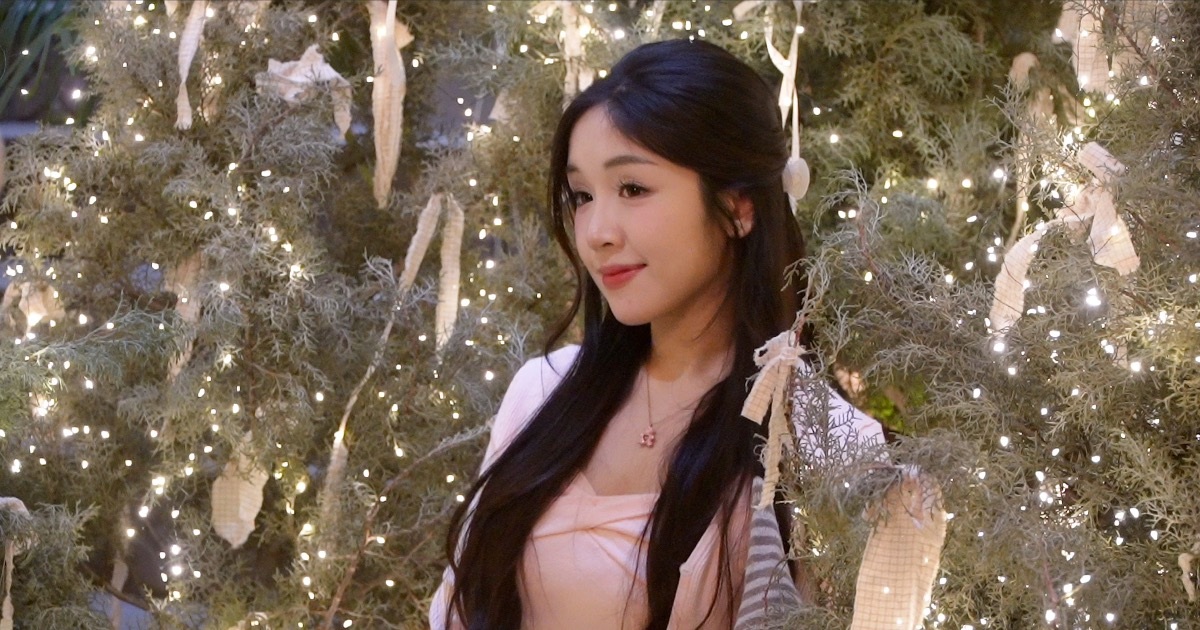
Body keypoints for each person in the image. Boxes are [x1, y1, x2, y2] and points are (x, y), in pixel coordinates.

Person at [431, 38, 883, 629]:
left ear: (738, 206)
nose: (596, 232)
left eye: (633, 189)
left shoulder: (823, 442)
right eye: (582, 196)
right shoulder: (543, 391)